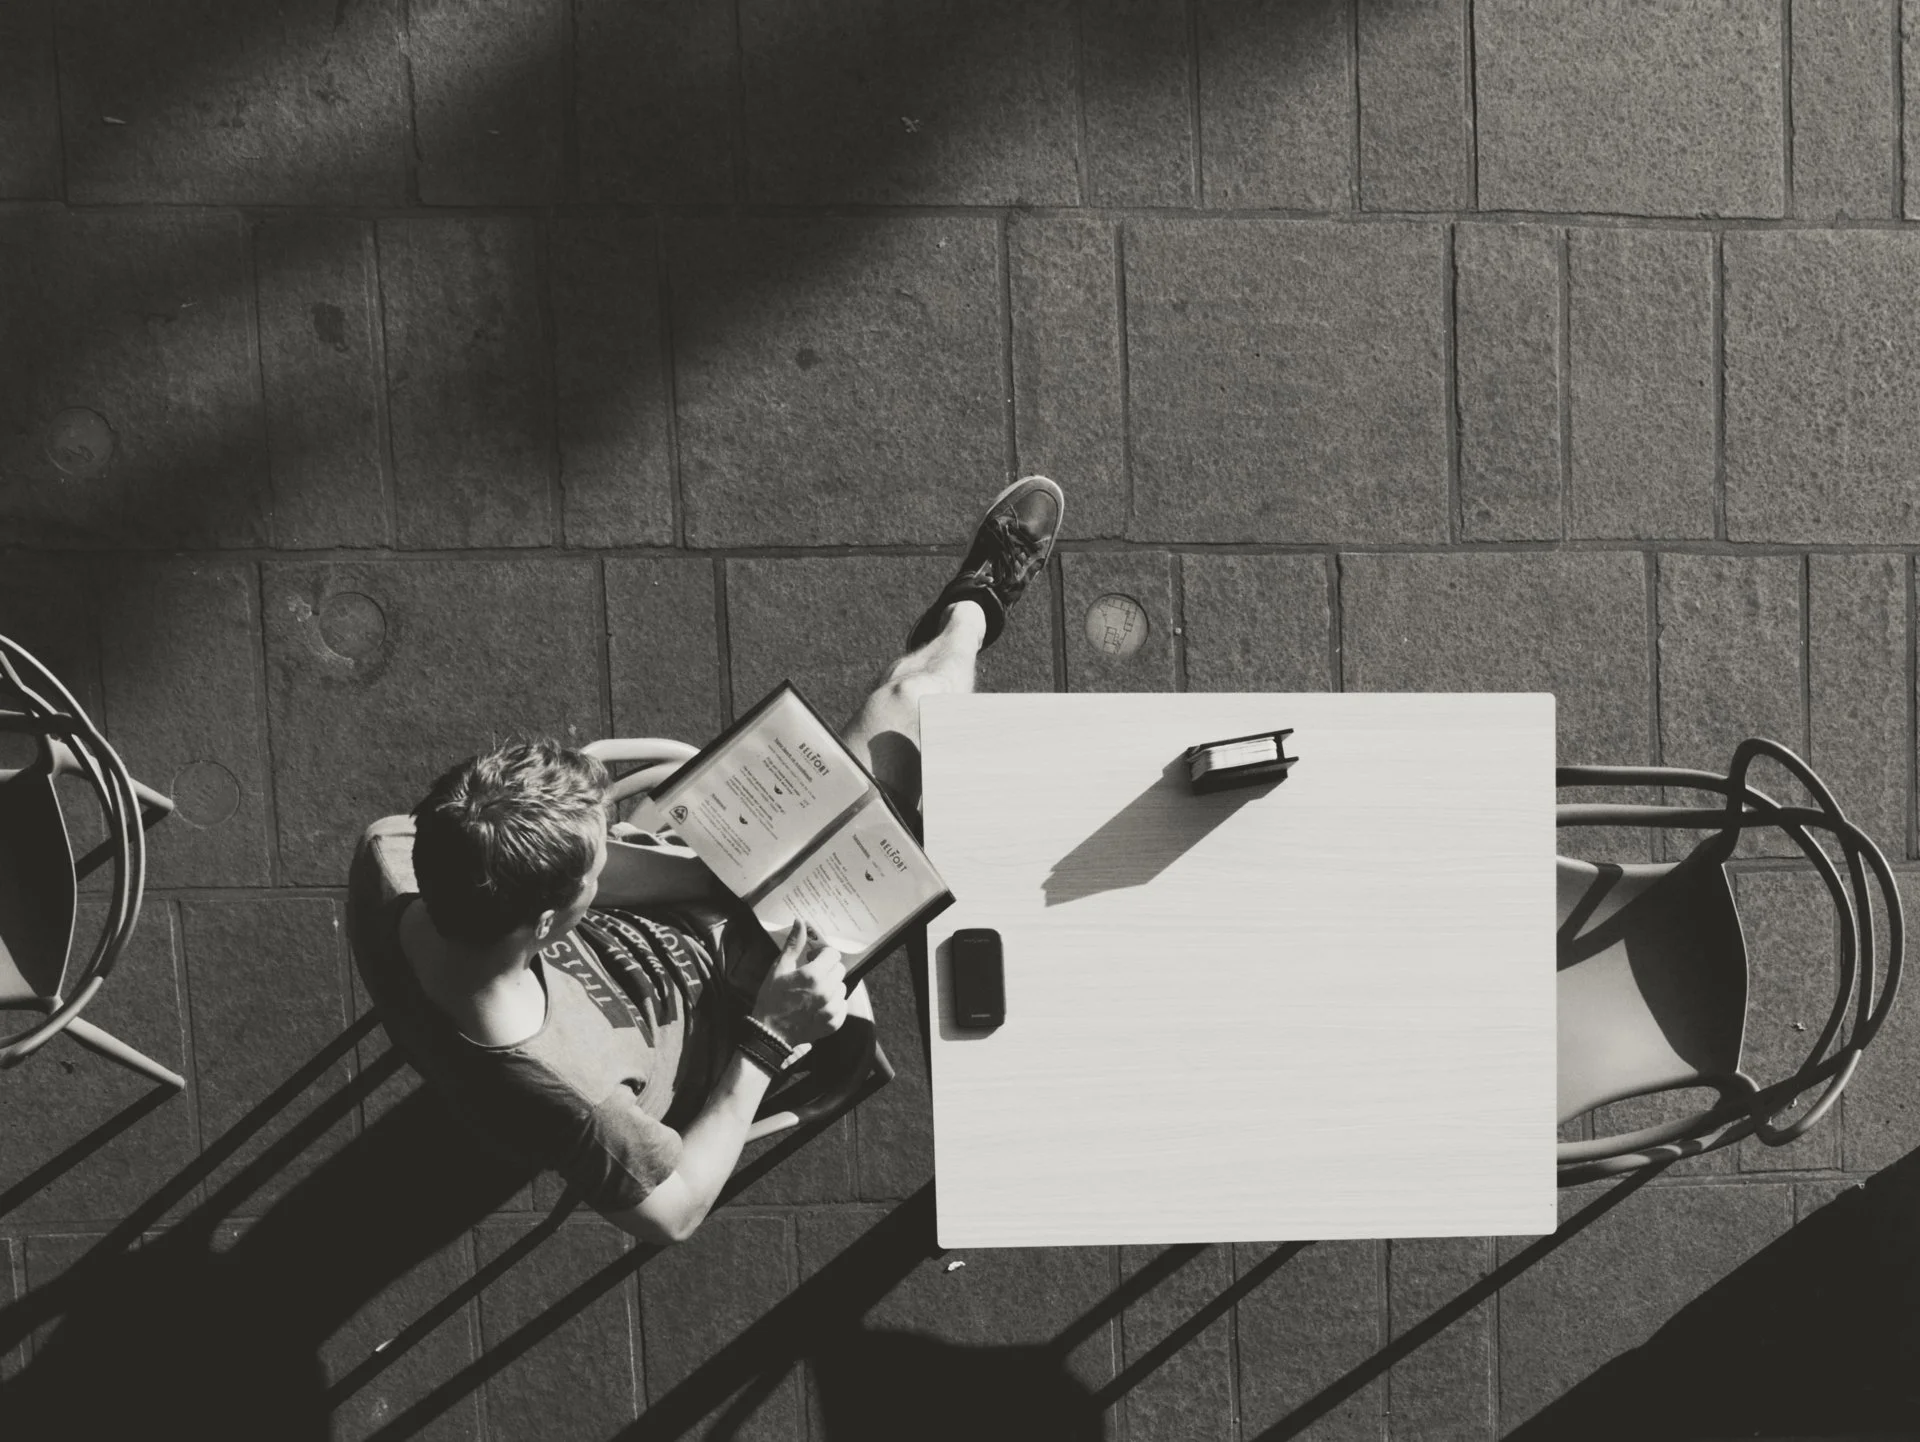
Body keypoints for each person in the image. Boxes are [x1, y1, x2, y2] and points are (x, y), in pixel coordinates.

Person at [346, 476, 1066, 1245]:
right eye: (593, 861)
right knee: (916, 748)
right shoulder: (578, 1101)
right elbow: (675, 1214)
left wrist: (746, 875)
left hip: (691, 907)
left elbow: (612, 872)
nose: (609, 848)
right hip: (749, 1006)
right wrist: (769, 1036)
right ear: (549, 922)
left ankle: (969, 611)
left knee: (898, 748)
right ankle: (970, 613)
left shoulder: (398, 854)